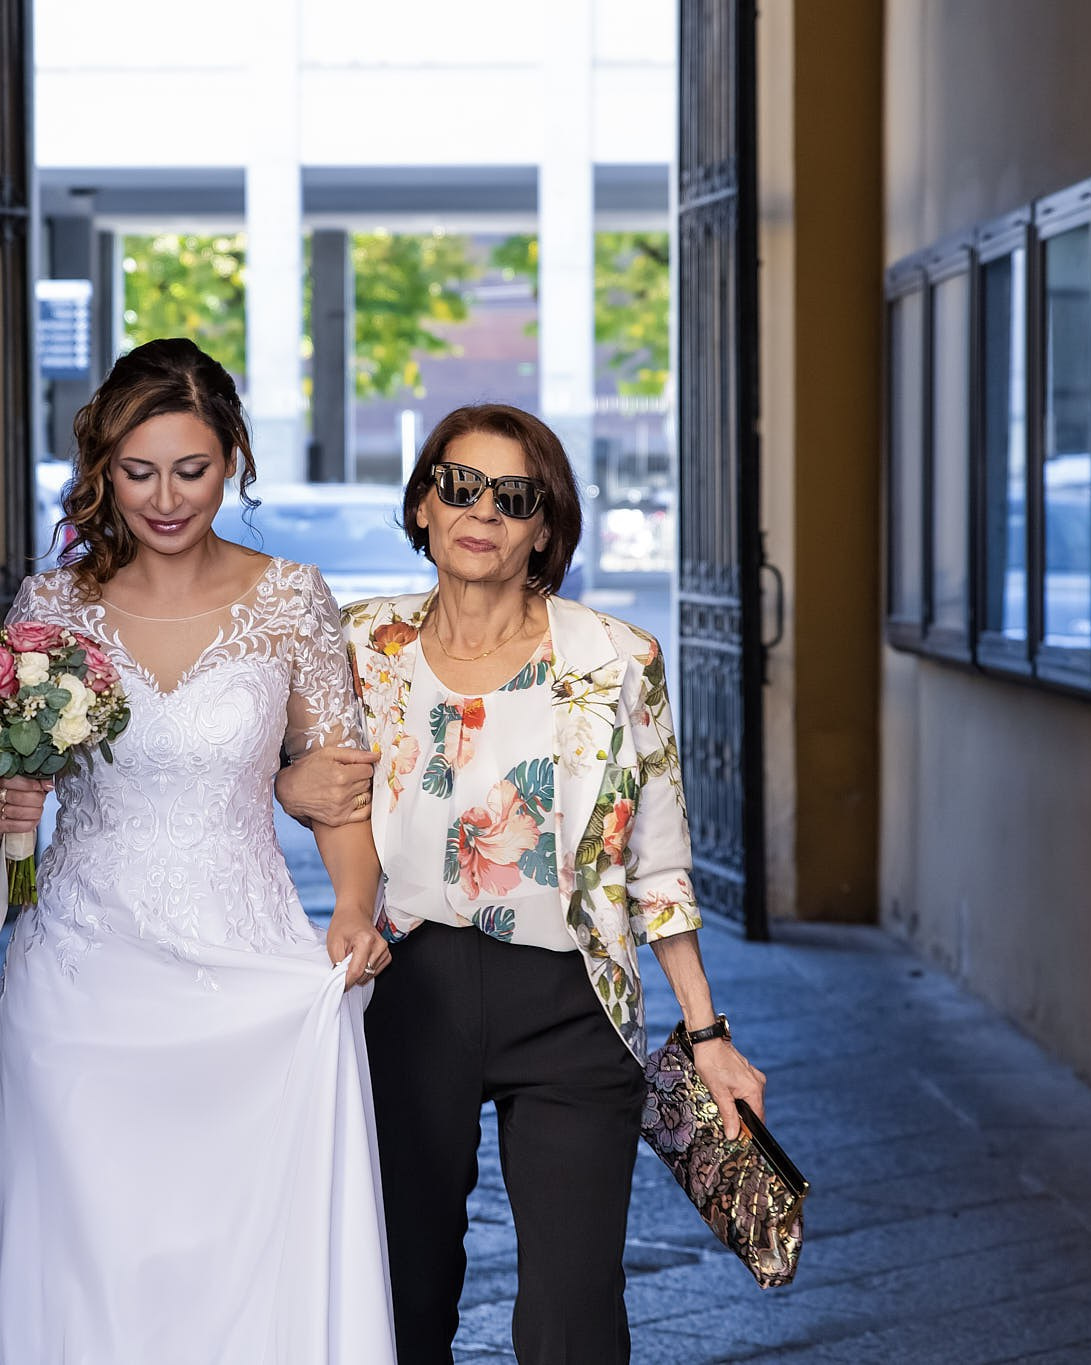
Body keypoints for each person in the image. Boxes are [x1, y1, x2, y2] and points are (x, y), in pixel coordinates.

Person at [277, 403, 767, 1365]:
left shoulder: (618, 658)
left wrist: (706, 1032)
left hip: (571, 1000)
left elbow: (658, 860)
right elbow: (284, 767)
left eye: (514, 496)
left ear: (545, 528)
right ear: (423, 504)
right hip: (410, 989)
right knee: (403, 1291)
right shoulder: (360, 643)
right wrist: (289, 784)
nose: (482, 511)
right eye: (459, 485)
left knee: (573, 1312)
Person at [0, 338, 396, 1364]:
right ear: (103, 469)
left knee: (237, 1257)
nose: (165, 499)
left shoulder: (290, 597)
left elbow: (340, 784)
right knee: (89, 1256)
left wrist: (351, 910)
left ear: (232, 458)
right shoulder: (51, 606)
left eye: (191, 470)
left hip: (241, 966)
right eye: (138, 471)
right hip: (80, 980)